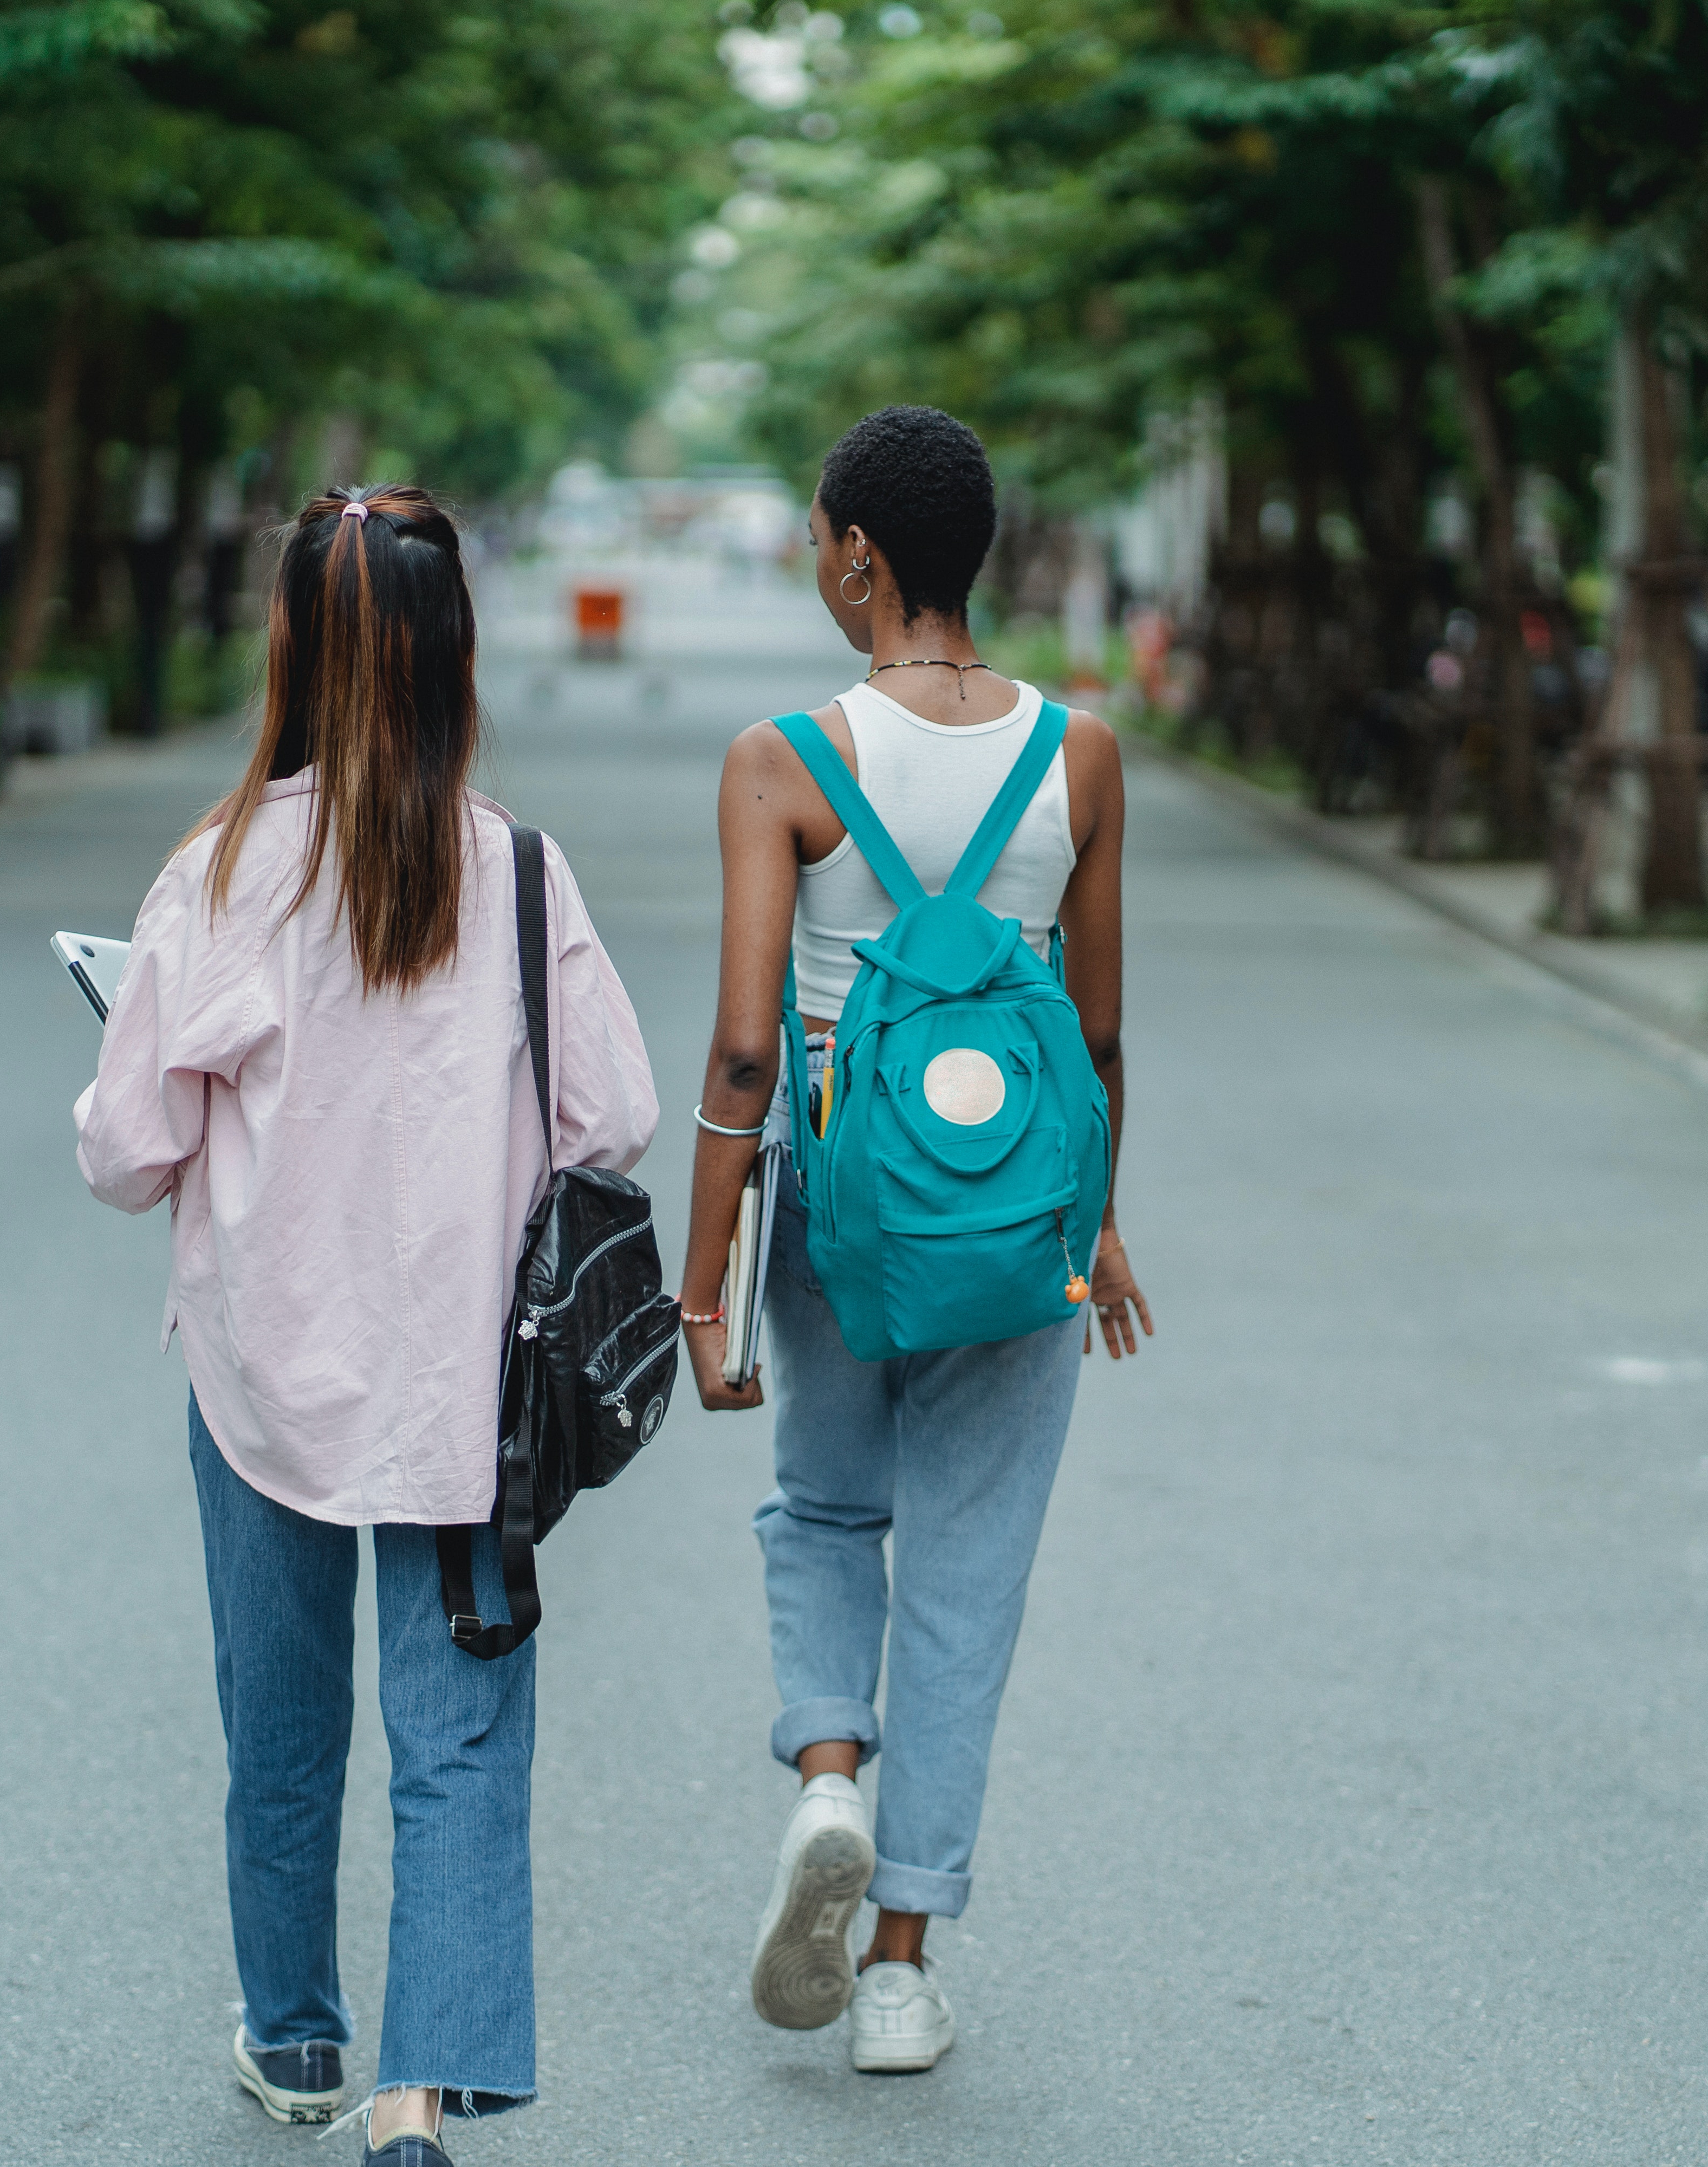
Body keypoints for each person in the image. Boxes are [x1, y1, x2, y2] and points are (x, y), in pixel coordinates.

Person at [77, 485, 658, 2164]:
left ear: (293, 651)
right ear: (451, 658)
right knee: (455, 1734)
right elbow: (603, 1118)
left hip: (262, 1376)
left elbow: (130, 1155)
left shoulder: (222, 875)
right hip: (466, 1394)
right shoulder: (522, 878)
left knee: (281, 1731)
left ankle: (301, 2043)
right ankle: (419, 2099)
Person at [676, 406, 1154, 2075]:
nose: (821, 567)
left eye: (822, 541)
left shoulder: (785, 760)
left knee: (824, 1504)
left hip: (841, 1202)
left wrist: (706, 1276)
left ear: (864, 557)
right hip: (1020, 1215)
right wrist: (1095, 1233)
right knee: (971, 1573)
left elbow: (749, 1052)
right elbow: (1093, 1038)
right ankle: (898, 1967)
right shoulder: (1077, 753)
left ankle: (828, 1780)